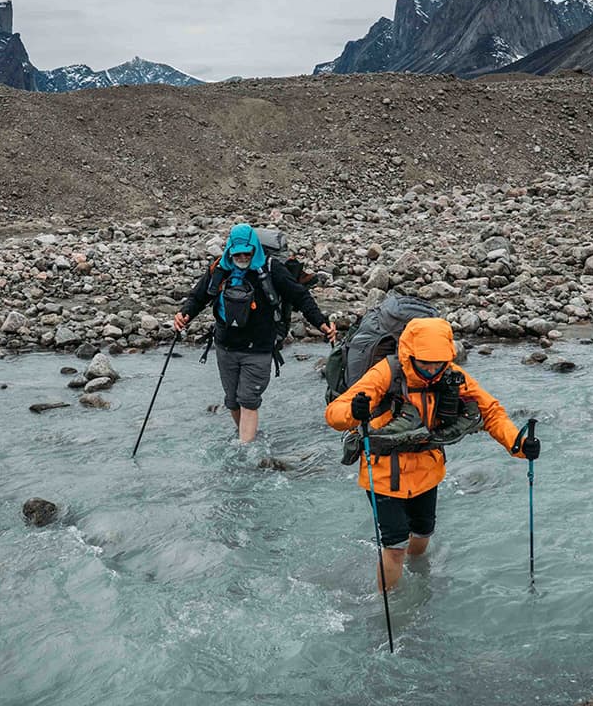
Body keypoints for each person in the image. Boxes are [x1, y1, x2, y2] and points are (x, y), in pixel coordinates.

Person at [324, 316, 539, 591]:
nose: (431, 370)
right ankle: (386, 604)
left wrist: (519, 445)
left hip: (427, 471)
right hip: (383, 474)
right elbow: (334, 414)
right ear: (410, 355)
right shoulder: (386, 373)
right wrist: (354, 411)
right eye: (425, 363)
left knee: (423, 534)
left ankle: (418, 578)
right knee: (395, 546)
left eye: (437, 363)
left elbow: (491, 411)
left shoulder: (451, 374)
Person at [175, 224, 337, 443]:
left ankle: (244, 451)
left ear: (255, 249)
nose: (242, 257)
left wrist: (322, 323)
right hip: (226, 347)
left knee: (248, 400)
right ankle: (247, 438)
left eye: (246, 253)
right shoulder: (219, 269)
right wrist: (184, 314)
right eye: (237, 253)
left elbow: (300, 297)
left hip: (259, 348)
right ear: (229, 250)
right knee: (232, 401)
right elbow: (199, 297)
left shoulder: (271, 270)